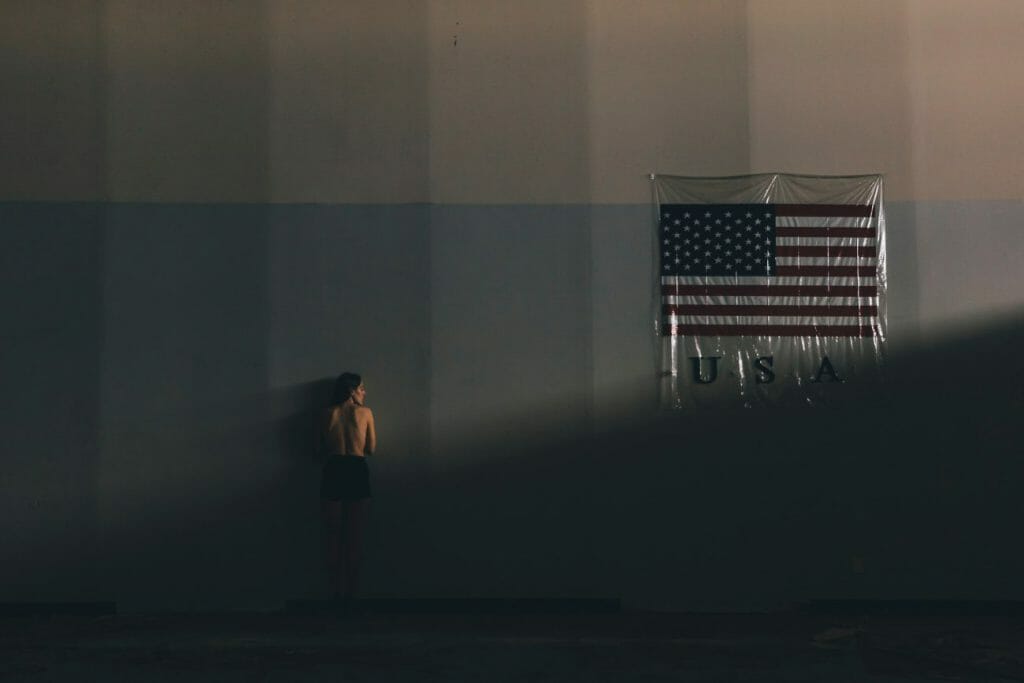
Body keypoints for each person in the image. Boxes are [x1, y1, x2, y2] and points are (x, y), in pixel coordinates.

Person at [319, 372, 375, 606]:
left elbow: (318, 447)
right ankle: (352, 595)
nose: (364, 392)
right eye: (361, 388)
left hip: (333, 469)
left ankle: (334, 593)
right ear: (352, 391)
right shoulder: (365, 413)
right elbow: (371, 448)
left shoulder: (328, 413)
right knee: (354, 536)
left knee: (333, 535)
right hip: (355, 468)